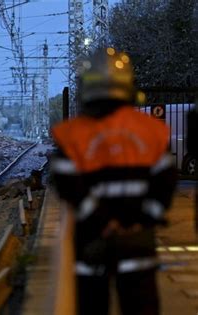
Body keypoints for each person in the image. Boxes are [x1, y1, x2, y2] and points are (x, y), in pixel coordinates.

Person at [51, 47, 177, 315]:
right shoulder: (152, 131)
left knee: (92, 305)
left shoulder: (71, 135)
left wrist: (103, 222)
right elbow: (165, 186)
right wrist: (141, 220)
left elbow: (68, 188)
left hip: (91, 243)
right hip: (137, 242)